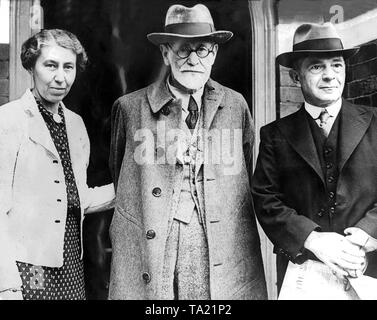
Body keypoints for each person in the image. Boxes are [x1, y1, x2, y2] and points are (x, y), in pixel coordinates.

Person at [109, 4, 267, 300]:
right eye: (183, 49)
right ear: (165, 54)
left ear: (215, 54)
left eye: (203, 49)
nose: (193, 59)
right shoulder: (130, 109)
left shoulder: (235, 106)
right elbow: (122, 177)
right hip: (156, 245)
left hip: (218, 245)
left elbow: (247, 169)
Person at [251, 22, 377, 293]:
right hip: (303, 275)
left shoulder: (376, 123)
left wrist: (366, 235)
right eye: (317, 67)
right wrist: (312, 239)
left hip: (369, 270)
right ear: (297, 77)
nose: (330, 76)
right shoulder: (275, 135)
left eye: (337, 65)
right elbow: (266, 199)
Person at [0, 29, 115, 300]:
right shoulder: (9, 120)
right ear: (31, 65)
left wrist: (132, 184)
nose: (60, 77)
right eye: (50, 65)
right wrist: (7, 284)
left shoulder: (75, 124)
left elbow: (77, 197)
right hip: (28, 267)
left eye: (68, 67)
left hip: (70, 261)